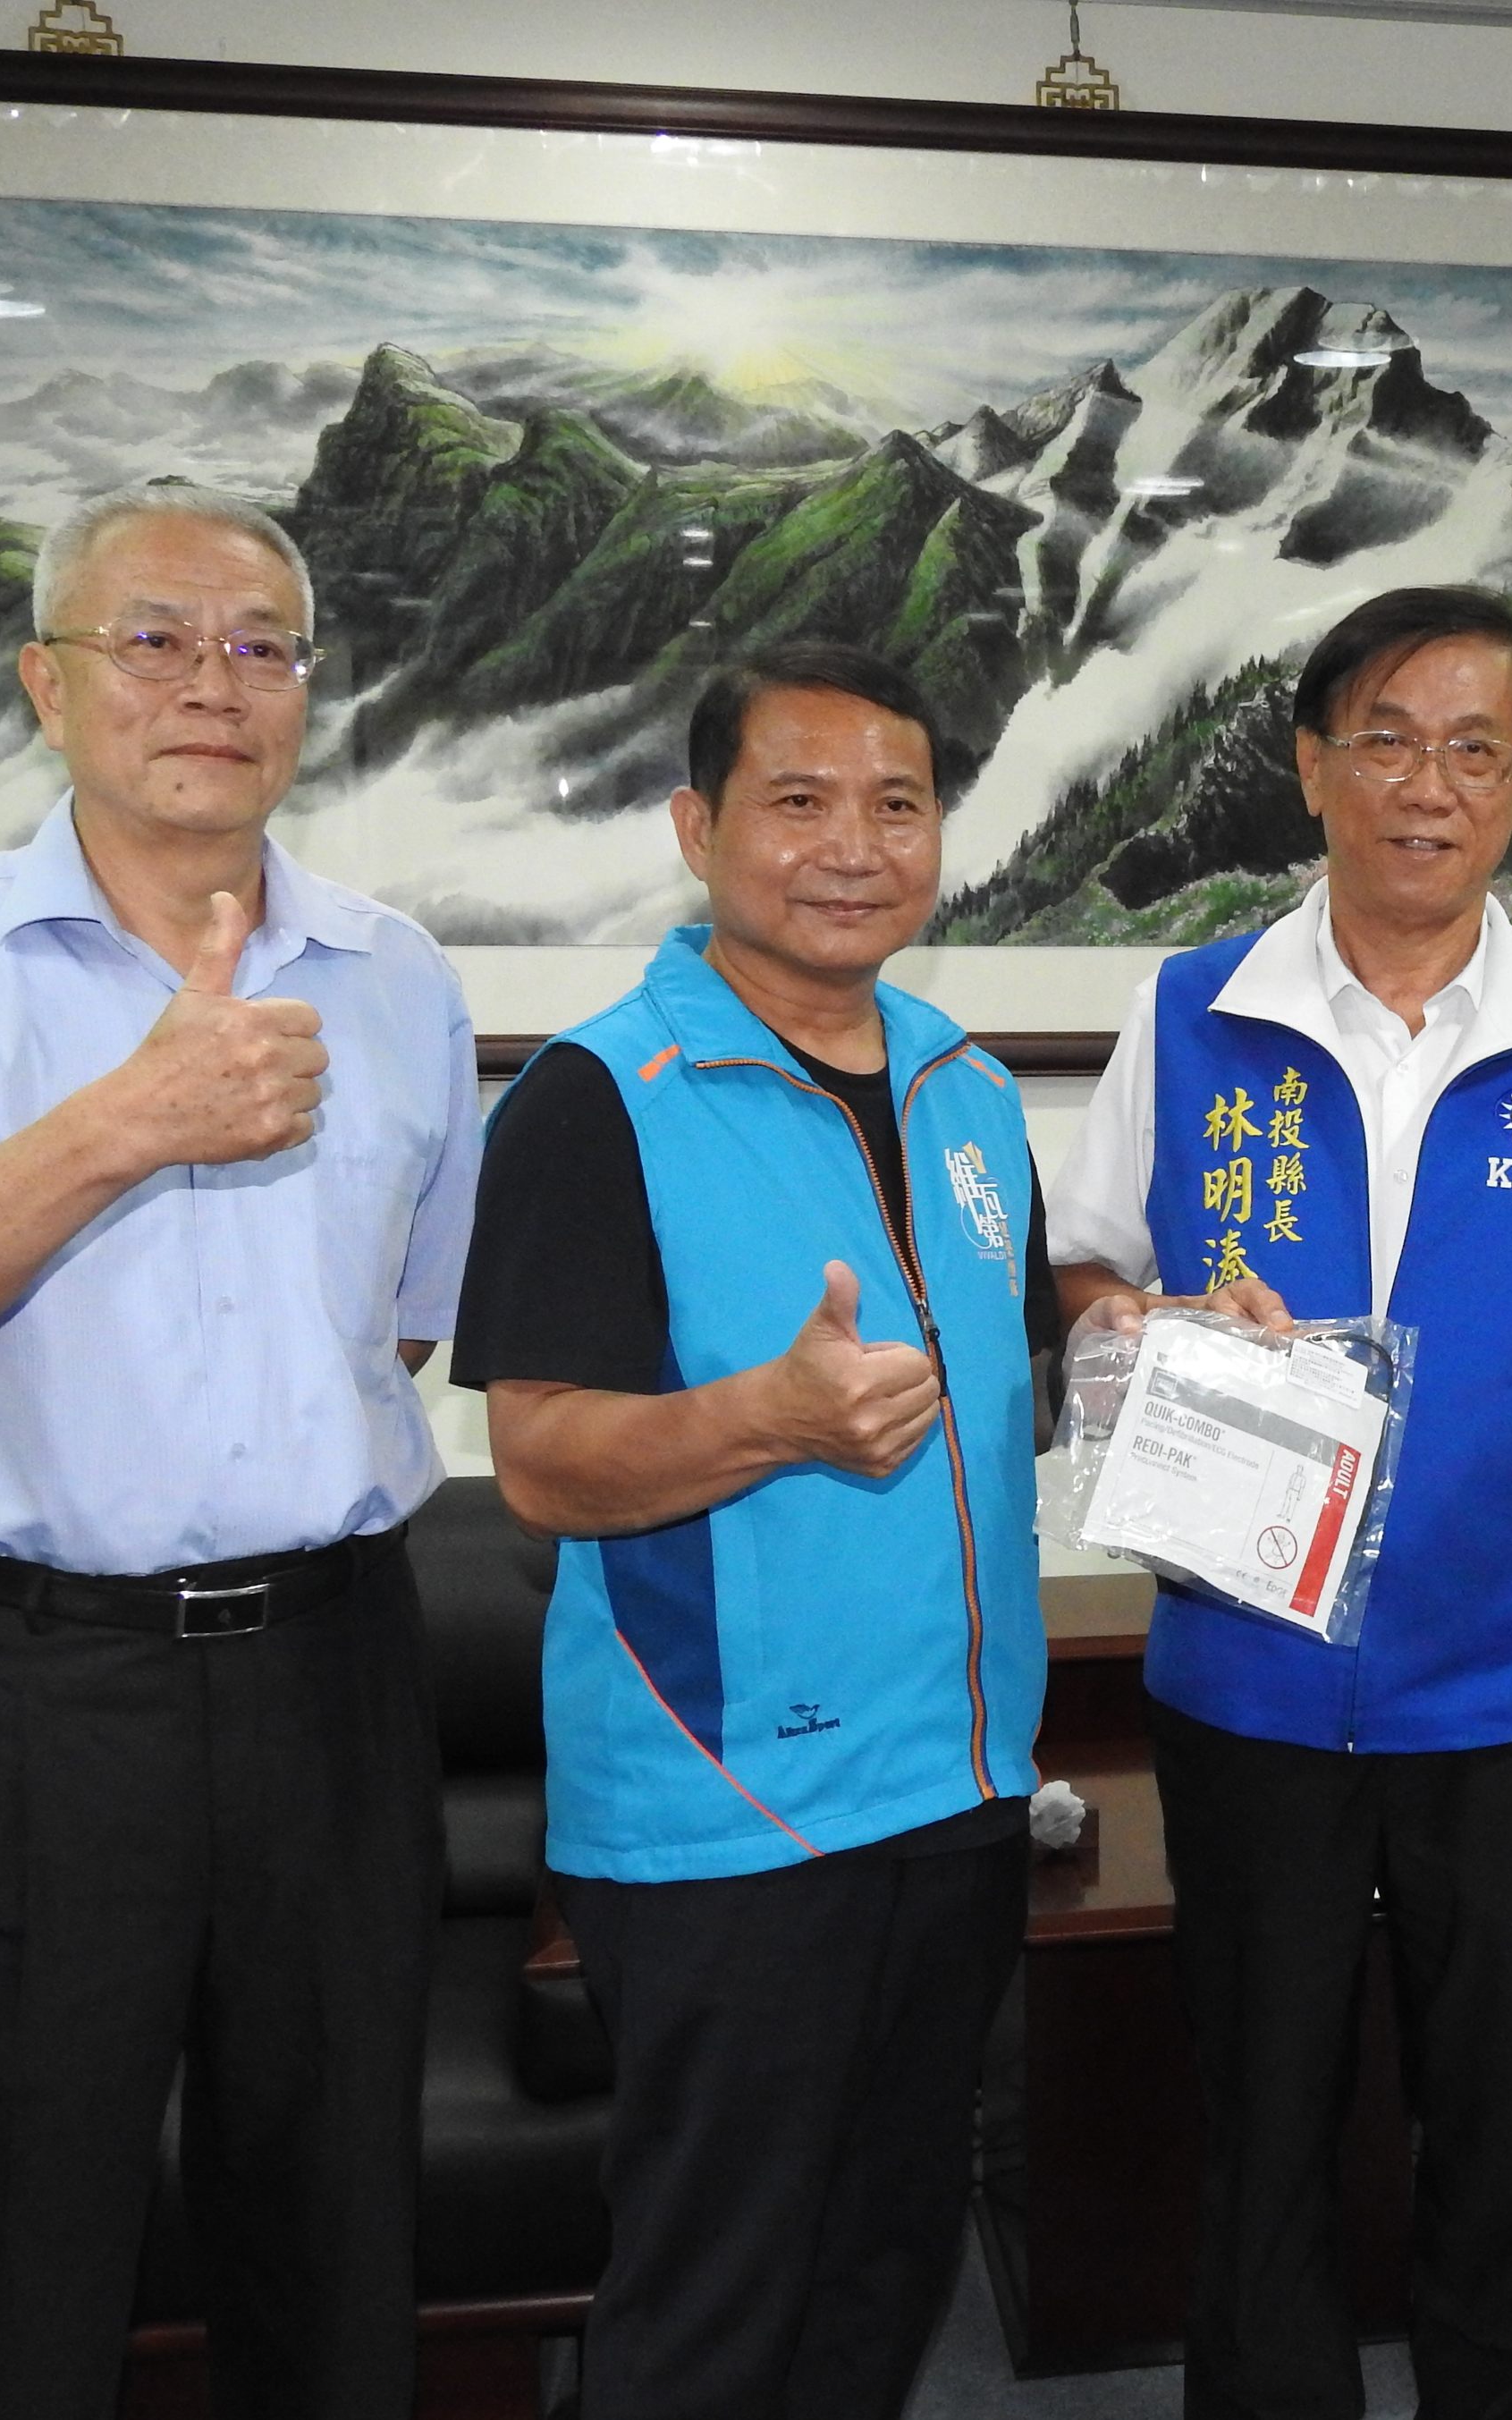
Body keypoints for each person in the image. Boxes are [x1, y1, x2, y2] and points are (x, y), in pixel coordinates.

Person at [0, 483, 477, 2419]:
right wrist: (132, 1118)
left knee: (336, 2246)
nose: (211, 684)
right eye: (152, 638)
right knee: (16, 2268)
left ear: (307, 693)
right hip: (27, 1697)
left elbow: (405, 1325)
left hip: (334, 1677)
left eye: (261, 646)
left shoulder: (400, 976)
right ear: (46, 685)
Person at [1048, 584, 1512, 2420]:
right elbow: (1086, 1270)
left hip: (1504, 1690)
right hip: (1246, 1679)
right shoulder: (1192, 1010)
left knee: (1495, 2123)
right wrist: (1138, 1322)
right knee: (1261, 2116)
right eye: (1387, 741)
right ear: (1311, 766)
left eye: (1473, 751)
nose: (1428, 786)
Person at [452, 640, 1063, 2420]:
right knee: (714, 2302)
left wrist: (1173, 1353)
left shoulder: (968, 1087)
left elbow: (1015, 1391)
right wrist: (769, 1422)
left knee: (887, 2264)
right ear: (695, 827)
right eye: (798, 802)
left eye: (897, 804)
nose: (853, 846)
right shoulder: (599, 1097)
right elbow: (542, 1463)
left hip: (957, 1788)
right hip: (733, 1812)